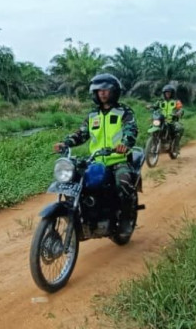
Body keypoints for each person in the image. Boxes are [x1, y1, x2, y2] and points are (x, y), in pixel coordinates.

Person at [53, 73, 139, 237]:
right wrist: (66, 143)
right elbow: (81, 134)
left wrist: (125, 144)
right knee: (75, 182)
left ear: (114, 91)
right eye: (99, 90)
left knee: (123, 183)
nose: (102, 93)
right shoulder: (92, 115)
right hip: (96, 161)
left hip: (118, 160)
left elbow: (131, 130)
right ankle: (83, 215)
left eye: (106, 90)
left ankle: (127, 219)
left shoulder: (124, 112)